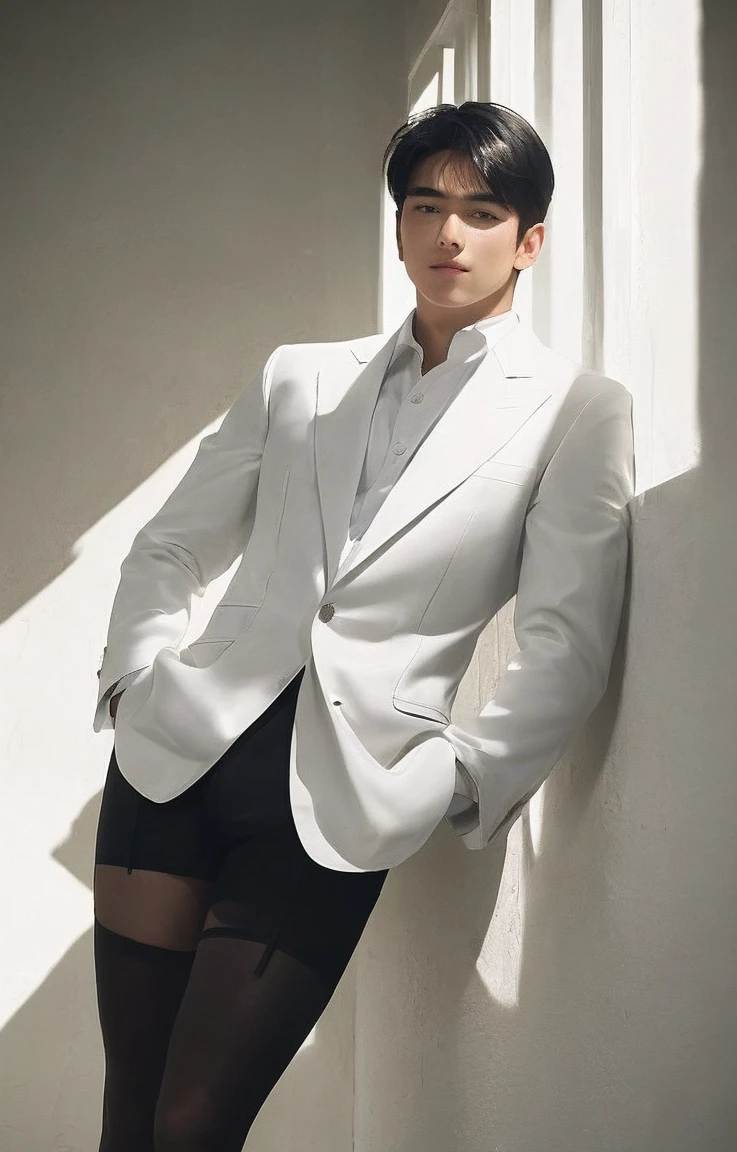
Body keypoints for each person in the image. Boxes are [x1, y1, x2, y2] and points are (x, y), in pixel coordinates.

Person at [91, 101, 634, 1151]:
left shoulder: (576, 409)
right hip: (172, 762)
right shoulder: (302, 374)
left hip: (340, 798)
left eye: (481, 212)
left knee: (196, 1123)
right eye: (424, 205)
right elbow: (170, 545)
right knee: (132, 1112)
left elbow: (568, 636)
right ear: (397, 226)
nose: (447, 234)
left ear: (529, 239)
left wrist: (463, 777)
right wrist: (132, 679)